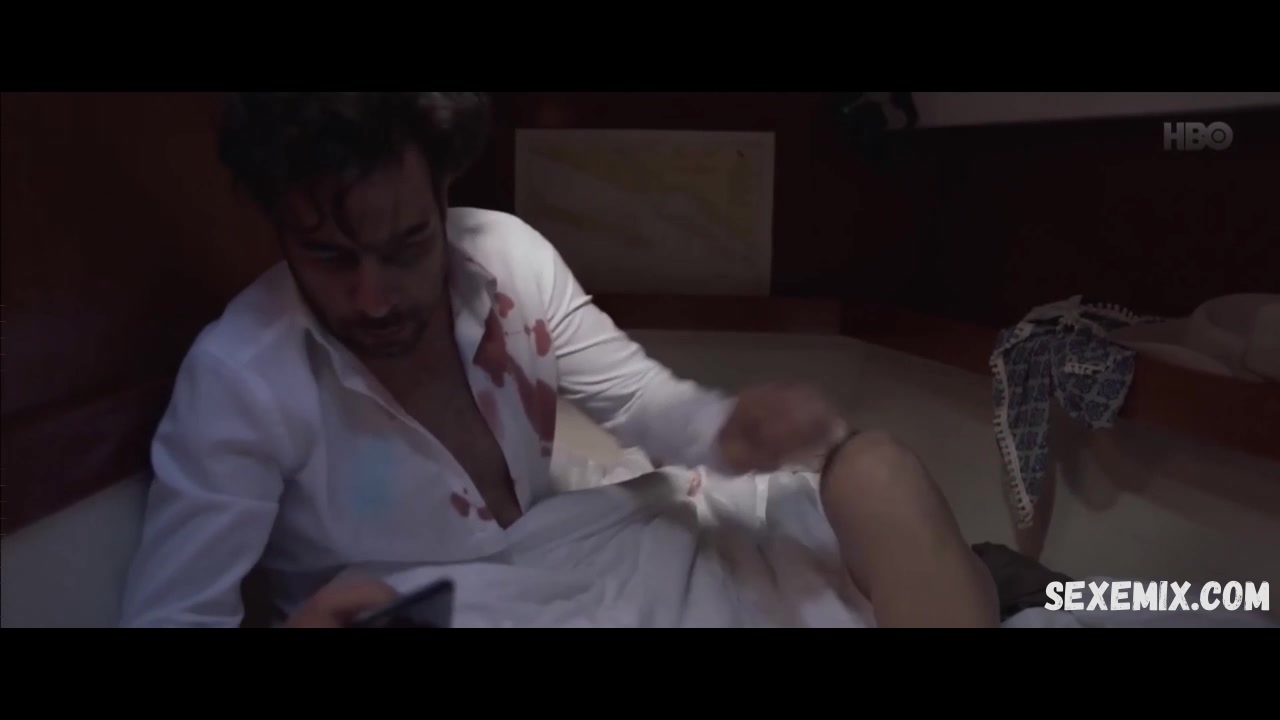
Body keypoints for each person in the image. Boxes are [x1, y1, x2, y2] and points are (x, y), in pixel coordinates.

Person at [119, 92, 997, 628]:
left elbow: (647, 408)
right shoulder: (238, 380)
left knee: (875, 469)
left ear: (444, 187)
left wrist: (735, 429)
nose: (374, 297)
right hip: (433, 612)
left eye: (406, 244)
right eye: (329, 256)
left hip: (584, 554)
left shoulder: (506, 257)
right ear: (278, 227)